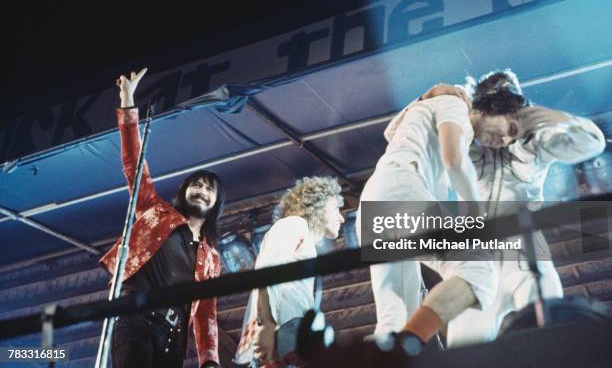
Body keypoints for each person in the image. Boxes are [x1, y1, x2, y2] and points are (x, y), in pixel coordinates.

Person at [422, 69, 606, 346]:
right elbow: (416, 129)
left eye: (514, 132)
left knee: (550, 339)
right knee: (464, 352)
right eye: (505, 128)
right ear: (486, 109)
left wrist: (561, 119)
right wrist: (441, 99)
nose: (507, 139)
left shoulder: (533, 146)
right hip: (478, 263)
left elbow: (593, 145)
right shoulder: (457, 138)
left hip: (527, 256)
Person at [357, 77, 530, 352]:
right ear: (494, 108)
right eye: (508, 127)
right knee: (478, 267)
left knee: (395, 314)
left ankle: (391, 353)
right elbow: (454, 160)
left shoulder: (438, 104)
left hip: (376, 200)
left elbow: (392, 132)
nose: (505, 140)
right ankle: (409, 345)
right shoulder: (455, 103)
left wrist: (426, 96)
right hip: (401, 190)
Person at [99, 68, 223, 368]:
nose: (202, 191)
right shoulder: (155, 211)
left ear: (217, 202)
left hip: (174, 338)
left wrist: (210, 359)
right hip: (136, 317)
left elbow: (206, 311)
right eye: (197, 184)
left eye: (210, 189)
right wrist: (127, 100)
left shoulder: (212, 259)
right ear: (184, 190)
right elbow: (133, 163)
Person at [234, 176, 345, 367]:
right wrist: (266, 324)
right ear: (316, 204)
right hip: (285, 326)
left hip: (290, 327)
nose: (341, 217)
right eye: (335, 208)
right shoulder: (294, 224)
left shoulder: (302, 238)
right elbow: (265, 272)